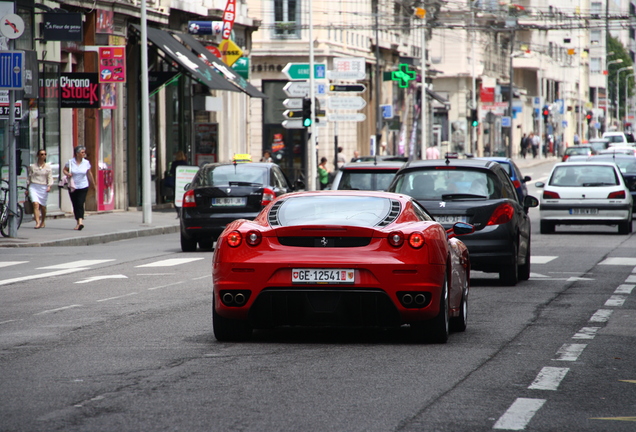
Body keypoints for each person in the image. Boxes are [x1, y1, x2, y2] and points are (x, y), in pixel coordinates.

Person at [62, 145, 95, 231]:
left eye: (84, 152)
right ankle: (78, 221)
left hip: (83, 186)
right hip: (73, 186)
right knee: (75, 204)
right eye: (82, 152)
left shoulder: (86, 163)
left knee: (80, 203)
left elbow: (89, 174)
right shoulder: (70, 162)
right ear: (77, 154)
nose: (84, 154)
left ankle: (80, 222)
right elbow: (64, 170)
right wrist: (67, 174)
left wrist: (93, 184)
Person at [27, 149, 53, 229]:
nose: (43, 156)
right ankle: (37, 222)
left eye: (44, 154)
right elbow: (29, 178)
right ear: (38, 155)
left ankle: (43, 221)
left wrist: (49, 186)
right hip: (34, 186)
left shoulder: (48, 167)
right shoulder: (32, 167)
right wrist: (27, 188)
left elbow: (50, 178)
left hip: (43, 187)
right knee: (35, 204)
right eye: (41, 154)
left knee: (43, 206)